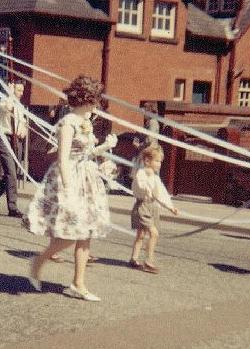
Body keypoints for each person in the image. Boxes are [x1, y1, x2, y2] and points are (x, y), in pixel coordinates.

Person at [26, 75, 117, 302]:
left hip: (87, 179)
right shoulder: (68, 123)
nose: (97, 104)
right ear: (86, 99)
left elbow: (86, 153)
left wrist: (106, 146)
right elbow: (63, 158)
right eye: (95, 98)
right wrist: (68, 190)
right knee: (70, 233)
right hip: (71, 180)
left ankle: (78, 284)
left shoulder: (86, 122)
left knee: (86, 232)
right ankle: (40, 260)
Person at [129, 146, 179, 274]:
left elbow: (161, 193)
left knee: (141, 235)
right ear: (147, 161)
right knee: (154, 233)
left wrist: (170, 207)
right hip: (142, 206)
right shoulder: (141, 173)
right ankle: (149, 261)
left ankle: (133, 258)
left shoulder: (156, 177)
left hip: (153, 208)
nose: (159, 164)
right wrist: (149, 181)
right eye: (157, 161)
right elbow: (140, 185)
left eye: (160, 161)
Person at [0, 80, 27, 218]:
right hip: (5, 138)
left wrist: (23, 130)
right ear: (12, 89)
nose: (21, 93)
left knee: (11, 174)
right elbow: (7, 108)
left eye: (22, 91)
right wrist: (9, 94)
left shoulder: (20, 106)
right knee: (11, 173)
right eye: (19, 90)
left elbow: (23, 122)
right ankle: (12, 207)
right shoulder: (4, 100)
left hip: (17, 141)